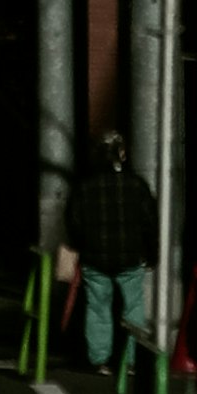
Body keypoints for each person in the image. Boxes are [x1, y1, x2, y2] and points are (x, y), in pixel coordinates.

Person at [55, 134, 158, 380]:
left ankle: (99, 359)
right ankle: (131, 361)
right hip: (130, 256)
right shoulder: (136, 185)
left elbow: (74, 221)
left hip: (94, 258)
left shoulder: (85, 186)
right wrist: (151, 252)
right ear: (122, 154)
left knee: (97, 307)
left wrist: (83, 243)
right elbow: (149, 222)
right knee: (133, 308)